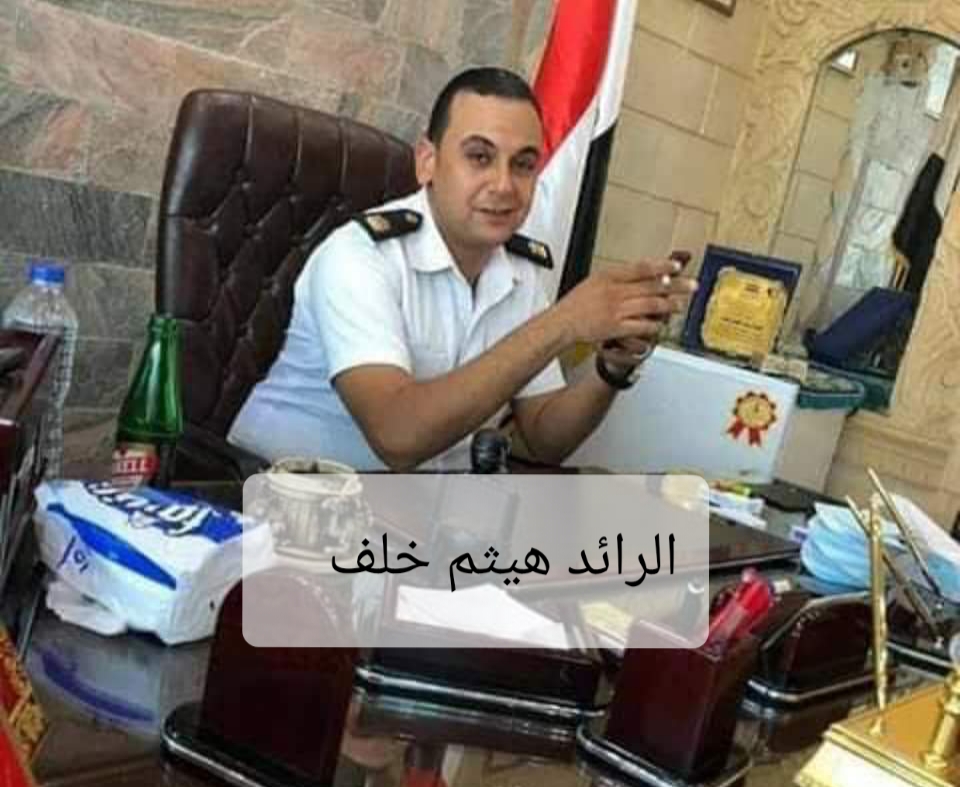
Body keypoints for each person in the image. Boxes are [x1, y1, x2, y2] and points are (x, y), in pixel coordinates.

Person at [228, 67, 696, 471]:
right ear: (427, 162)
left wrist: (612, 368)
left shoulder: (520, 271)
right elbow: (397, 435)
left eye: (524, 165)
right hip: (277, 496)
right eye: (479, 157)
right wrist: (565, 322)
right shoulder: (359, 257)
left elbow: (543, 438)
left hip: (412, 518)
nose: (504, 185)